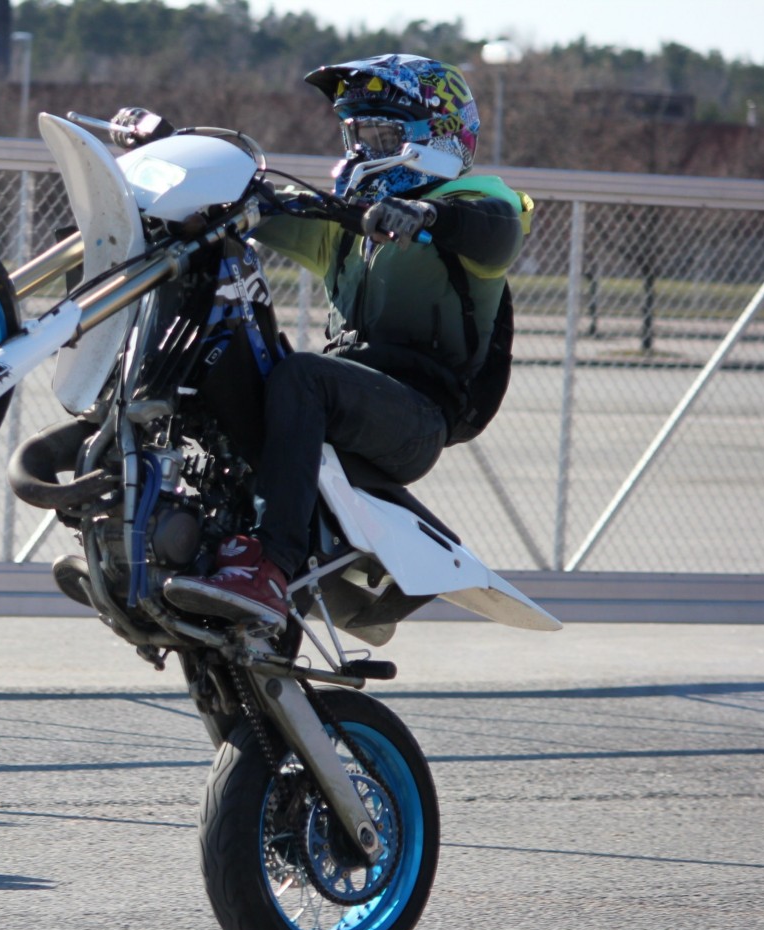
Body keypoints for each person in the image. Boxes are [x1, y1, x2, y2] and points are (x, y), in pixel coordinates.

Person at [163, 53, 531, 632]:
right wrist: (176, 166)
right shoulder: (350, 229)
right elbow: (246, 212)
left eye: (381, 135)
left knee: (302, 374)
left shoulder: (480, 205)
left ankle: (270, 566)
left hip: (415, 419)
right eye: (356, 135)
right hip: (346, 406)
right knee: (225, 351)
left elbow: (495, 228)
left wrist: (426, 214)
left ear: (437, 135)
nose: (363, 150)